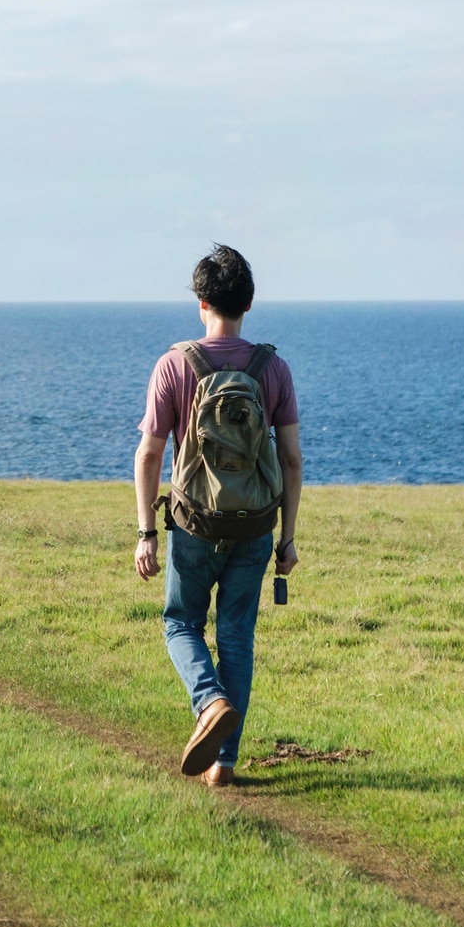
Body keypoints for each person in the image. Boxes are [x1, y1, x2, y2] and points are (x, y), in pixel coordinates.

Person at [134, 245, 302, 788]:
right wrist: (289, 539)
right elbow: (293, 459)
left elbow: (150, 455)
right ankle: (222, 765)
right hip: (255, 524)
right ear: (248, 304)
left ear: (201, 303)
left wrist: (145, 533)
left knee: (181, 622)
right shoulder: (273, 368)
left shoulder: (175, 365)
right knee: (235, 636)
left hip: (194, 523)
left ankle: (208, 704)